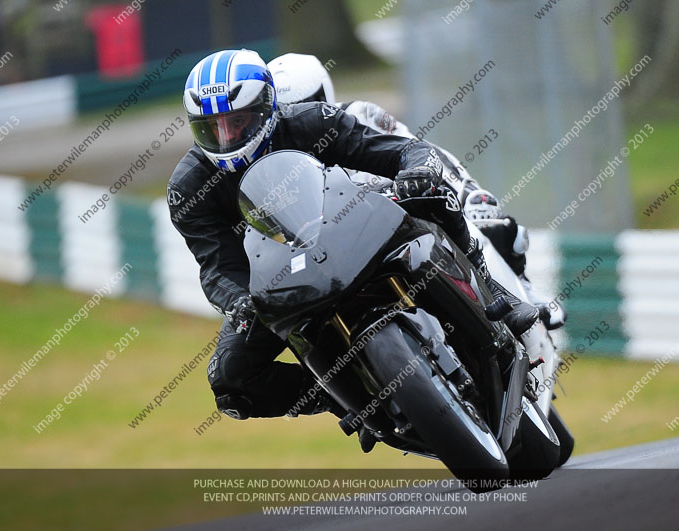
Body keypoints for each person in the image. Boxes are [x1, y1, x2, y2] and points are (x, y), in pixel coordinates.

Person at [167, 49, 538, 432]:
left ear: (265, 108)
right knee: (229, 381)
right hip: (283, 277)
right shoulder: (189, 187)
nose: (226, 137)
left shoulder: (312, 122)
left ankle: (494, 293)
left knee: (428, 191)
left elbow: (400, 151)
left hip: (356, 225)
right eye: (212, 128)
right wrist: (238, 302)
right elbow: (216, 266)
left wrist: (417, 171)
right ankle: (342, 395)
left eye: (237, 122)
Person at [267, 53, 567, 330]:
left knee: (490, 222)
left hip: (402, 210)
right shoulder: (276, 168)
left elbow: (415, 149)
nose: (301, 112)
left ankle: (523, 290)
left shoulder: (356, 115)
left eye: (309, 102)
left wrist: (465, 191)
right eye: (289, 109)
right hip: (343, 245)